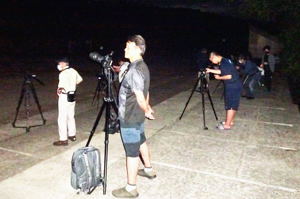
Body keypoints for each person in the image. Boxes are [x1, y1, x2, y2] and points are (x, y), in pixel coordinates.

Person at [112, 35, 156, 198]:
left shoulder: (135, 69)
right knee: (141, 140)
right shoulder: (143, 66)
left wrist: (146, 110)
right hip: (137, 115)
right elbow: (146, 90)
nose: (124, 49)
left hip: (130, 116)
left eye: (128, 46)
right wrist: (148, 106)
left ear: (137, 48)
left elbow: (139, 95)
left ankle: (131, 188)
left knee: (131, 152)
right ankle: (149, 170)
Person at [206, 51, 242, 130]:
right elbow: (223, 71)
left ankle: (227, 125)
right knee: (234, 104)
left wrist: (219, 78)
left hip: (232, 85)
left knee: (230, 105)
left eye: (212, 60)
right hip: (236, 84)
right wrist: (210, 70)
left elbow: (229, 76)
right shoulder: (225, 60)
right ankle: (230, 121)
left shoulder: (224, 63)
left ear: (214, 56)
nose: (212, 62)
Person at [53, 58, 83, 146]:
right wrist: (72, 85)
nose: (58, 65)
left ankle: (63, 139)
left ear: (63, 63)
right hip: (72, 96)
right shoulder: (73, 70)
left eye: (59, 63)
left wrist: (60, 90)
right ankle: (72, 135)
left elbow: (61, 87)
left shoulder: (62, 74)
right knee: (71, 116)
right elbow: (80, 79)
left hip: (64, 96)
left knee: (62, 118)